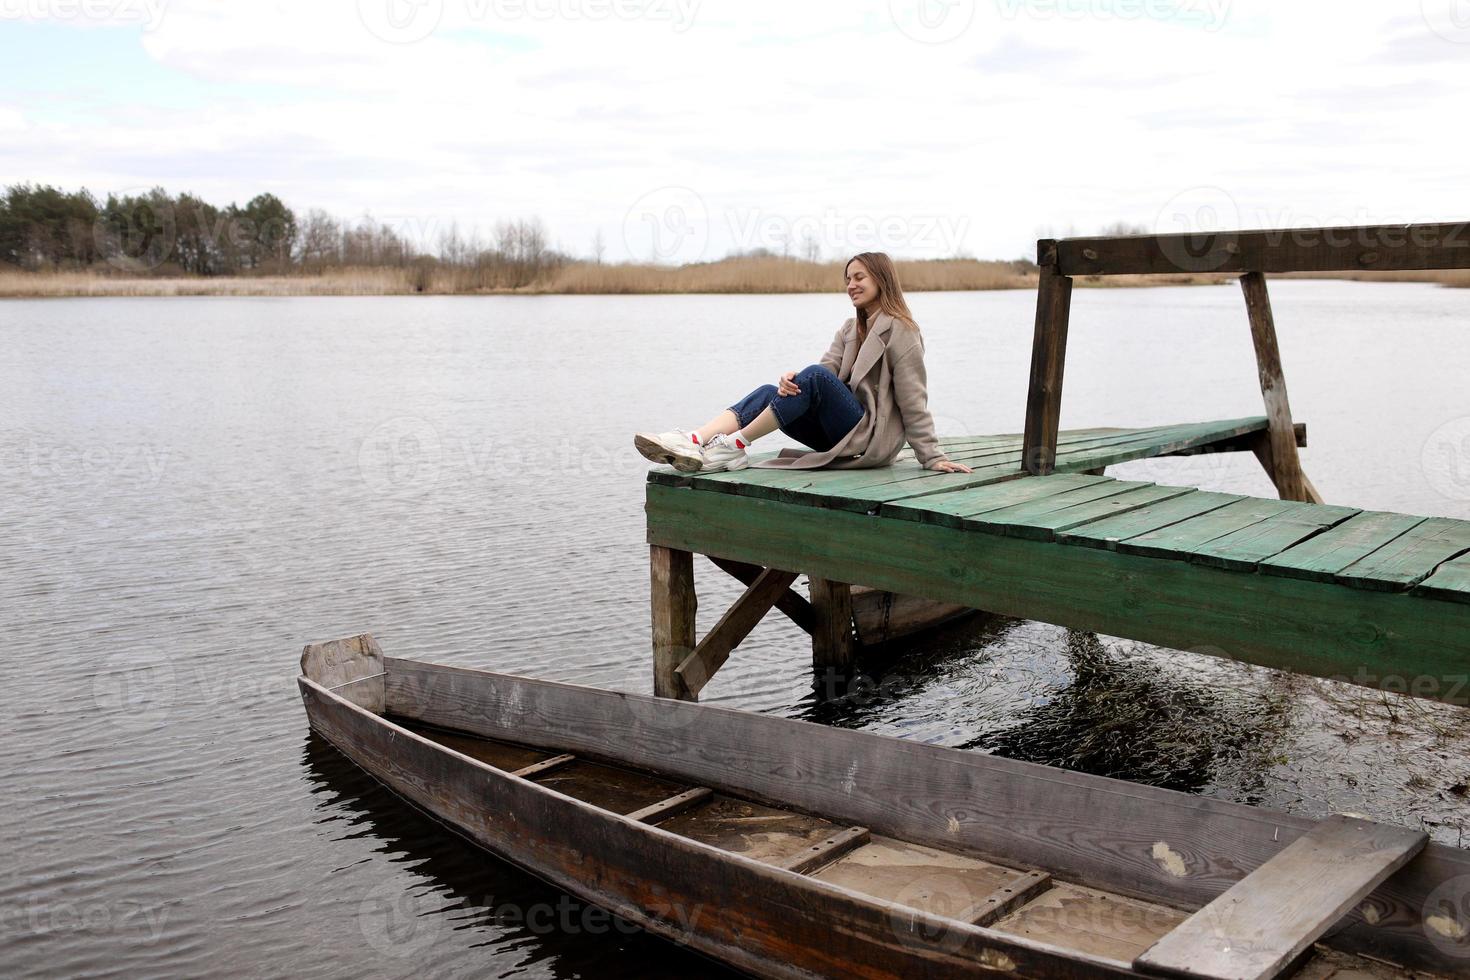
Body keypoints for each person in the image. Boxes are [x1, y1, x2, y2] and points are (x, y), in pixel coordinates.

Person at [634, 251, 973, 475]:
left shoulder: (901, 330)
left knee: (809, 376)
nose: (851, 285)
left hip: (868, 439)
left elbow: (914, 400)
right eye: (847, 279)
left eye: (859, 278)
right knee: (773, 390)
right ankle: (695, 439)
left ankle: (734, 445)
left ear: (881, 280)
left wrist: (932, 457)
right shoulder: (849, 328)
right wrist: (791, 380)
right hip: (836, 432)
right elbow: (826, 372)